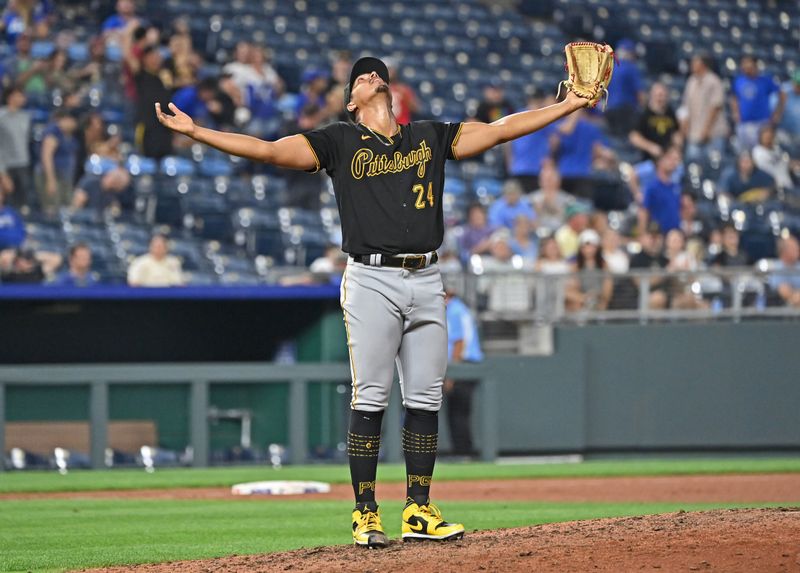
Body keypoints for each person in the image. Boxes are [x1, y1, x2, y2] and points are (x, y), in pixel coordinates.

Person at [156, 54, 594, 547]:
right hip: (371, 279)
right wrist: (198, 133)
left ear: (390, 89)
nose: (370, 74)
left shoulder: (427, 136)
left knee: (425, 399)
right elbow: (269, 151)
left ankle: (419, 510)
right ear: (351, 101)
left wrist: (568, 105)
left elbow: (500, 129)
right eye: (360, 75)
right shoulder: (339, 141)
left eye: (376, 72)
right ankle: (365, 513)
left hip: (428, 275)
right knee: (371, 397)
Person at [443, 287, 483, 457]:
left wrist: (453, 372)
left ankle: (462, 452)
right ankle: (462, 451)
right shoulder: (461, 308)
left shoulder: (453, 310)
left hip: (463, 364)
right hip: (468, 363)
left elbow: (458, 341)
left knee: (458, 412)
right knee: (459, 411)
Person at [680, 53, 728, 162]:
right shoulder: (691, 81)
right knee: (692, 164)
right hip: (694, 133)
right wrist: (684, 127)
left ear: (703, 64)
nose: (692, 65)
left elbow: (716, 107)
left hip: (713, 133)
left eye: (695, 62)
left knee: (713, 165)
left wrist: (706, 130)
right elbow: (685, 106)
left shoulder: (714, 81)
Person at [730, 55, 784, 151]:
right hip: (744, 123)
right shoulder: (739, 81)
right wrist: (735, 112)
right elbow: (734, 97)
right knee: (744, 152)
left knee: (761, 151)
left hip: (762, 123)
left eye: (748, 65)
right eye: (744, 65)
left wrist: (777, 113)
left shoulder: (765, 80)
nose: (745, 67)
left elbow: (782, 95)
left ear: (755, 65)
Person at [36, 109, 79, 215]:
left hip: (64, 177)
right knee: (52, 210)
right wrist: (50, 180)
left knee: (66, 208)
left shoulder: (69, 135)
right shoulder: (53, 132)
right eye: (73, 121)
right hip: (51, 176)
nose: (75, 125)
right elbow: (46, 156)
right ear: (66, 120)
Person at [134, 45, 173, 159]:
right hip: (147, 128)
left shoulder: (165, 78)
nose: (156, 59)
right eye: (152, 56)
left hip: (164, 130)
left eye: (157, 56)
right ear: (144, 59)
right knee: (146, 161)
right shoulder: (140, 75)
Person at [629, 82, 681, 162]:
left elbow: (676, 133)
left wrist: (676, 147)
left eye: (663, 95)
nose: (661, 98)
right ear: (651, 95)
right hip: (648, 159)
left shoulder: (670, 112)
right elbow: (634, 137)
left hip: (667, 158)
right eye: (658, 95)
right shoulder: (643, 113)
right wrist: (651, 147)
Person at [604, 39, 645, 137]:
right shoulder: (631, 67)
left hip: (609, 110)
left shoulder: (609, 67)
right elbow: (640, 94)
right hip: (626, 110)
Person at [0, 85, 32, 210]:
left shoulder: (26, 117)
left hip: (23, 164)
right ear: (10, 97)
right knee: (7, 205)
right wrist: (2, 173)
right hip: (6, 166)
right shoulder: (1, 117)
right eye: (19, 95)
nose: (23, 98)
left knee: (23, 205)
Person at [565, 229, 613, 312]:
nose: (588, 250)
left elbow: (607, 288)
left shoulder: (604, 265)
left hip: (599, 300)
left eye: (591, 246)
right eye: (585, 246)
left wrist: (601, 298)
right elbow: (571, 288)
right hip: (582, 301)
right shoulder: (575, 266)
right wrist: (584, 298)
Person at [638, 146, 682, 235]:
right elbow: (643, 211)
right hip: (657, 235)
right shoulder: (651, 187)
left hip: (674, 235)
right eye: (670, 158)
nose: (673, 162)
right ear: (660, 161)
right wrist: (642, 234)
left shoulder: (676, 187)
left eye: (676, 159)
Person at [530, 161, 571, 233]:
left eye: (551, 179)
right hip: (538, 231)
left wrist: (551, 205)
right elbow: (530, 218)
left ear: (558, 181)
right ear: (540, 181)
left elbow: (568, 218)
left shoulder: (567, 199)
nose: (548, 182)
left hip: (560, 231)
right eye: (545, 179)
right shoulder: (532, 198)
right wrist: (537, 209)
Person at [752, 124, 795, 192]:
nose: (768, 139)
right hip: (773, 188)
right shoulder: (757, 152)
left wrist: (792, 164)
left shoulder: (777, 148)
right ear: (760, 137)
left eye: (770, 136)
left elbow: (786, 163)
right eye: (766, 137)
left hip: (788, 184)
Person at [769, 235, 800, 307]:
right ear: (784, 251)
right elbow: (784, 292)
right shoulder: (777, 267)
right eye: (794, 248)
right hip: (784, 307)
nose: (798, 249)